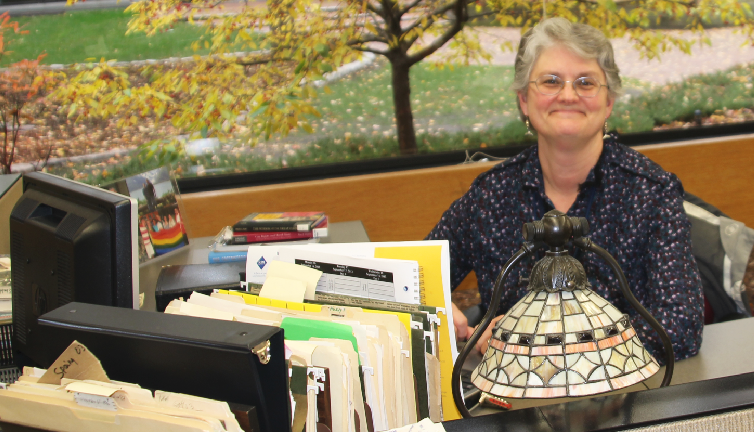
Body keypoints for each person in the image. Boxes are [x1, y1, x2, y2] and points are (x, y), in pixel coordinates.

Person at [426, 17, 704, 362]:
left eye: (586, 82)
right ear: (525, 100)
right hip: (510, 407)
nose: (568, 94)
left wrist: (538, 343)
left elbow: (680, 327)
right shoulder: (490, 195)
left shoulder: (652, 194)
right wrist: (436, 308)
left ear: (609, 103)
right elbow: (413, 280)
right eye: (551, 81)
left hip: (624, 402)